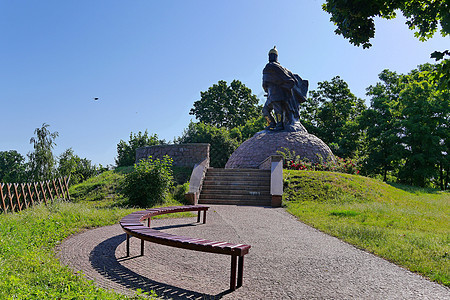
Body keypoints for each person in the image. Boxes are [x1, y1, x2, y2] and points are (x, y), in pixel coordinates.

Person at [262, 46, 308, 131]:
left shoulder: (276, 67)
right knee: (265, 111)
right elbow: (265, 81)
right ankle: (272, 124)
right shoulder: (269, 66)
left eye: (272, 55)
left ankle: (279, 126)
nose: (271, 57)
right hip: (270, 94)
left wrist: (284, 87)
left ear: (275, 57)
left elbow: (289, 80)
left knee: (277, 110)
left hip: (277, 93)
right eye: (270, 55)